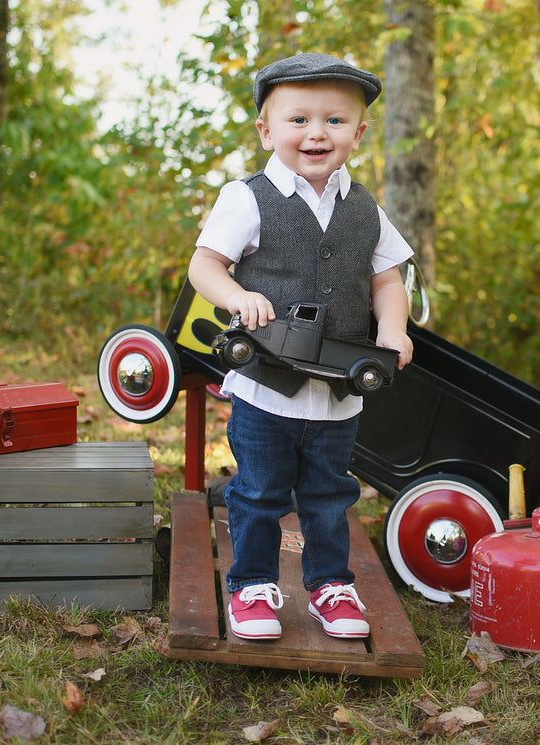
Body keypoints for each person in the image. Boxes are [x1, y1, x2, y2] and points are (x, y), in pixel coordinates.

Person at [188, 52, 414, 641]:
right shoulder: (248, 197)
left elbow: (387, 280)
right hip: (267, 383)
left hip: (337, 390)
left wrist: (393, 328)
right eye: (299, 120)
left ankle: (330, 586)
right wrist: (237, 295)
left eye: (335, 121)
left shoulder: (364, 207)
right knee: (259, 491)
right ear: (266, 130)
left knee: (329, 494)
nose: (317, 133)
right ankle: (252, 585)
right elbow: (204, 265)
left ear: (358, 134)